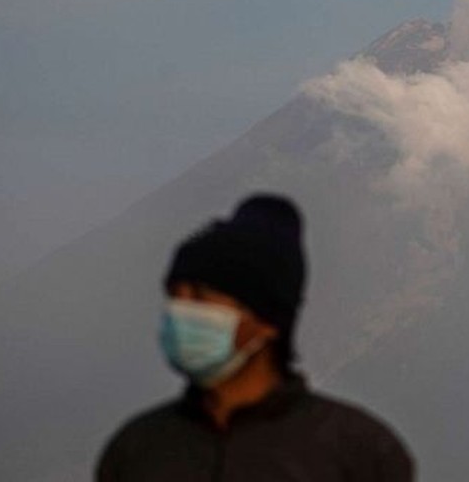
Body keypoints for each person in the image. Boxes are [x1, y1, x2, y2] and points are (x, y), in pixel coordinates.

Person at [97, 193, 414, 481]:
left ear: (267, 321)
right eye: (174, 297)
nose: (181, 313)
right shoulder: (137, 449)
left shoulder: (358, 453)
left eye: (200, 297)